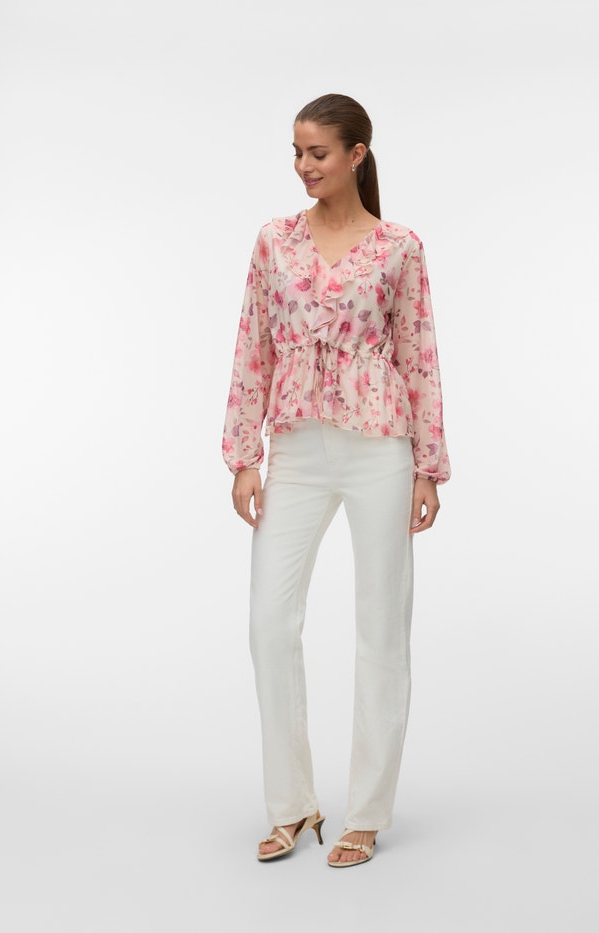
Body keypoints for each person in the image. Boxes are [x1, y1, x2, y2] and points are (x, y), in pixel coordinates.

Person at [222, 93, 451, 867]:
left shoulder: (399, 247)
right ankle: (292, 804)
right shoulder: (274, 240)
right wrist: (243, 454)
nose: (303, 166)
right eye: (296, 151)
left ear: (357, 154)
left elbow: (419, 353)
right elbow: (252, 343)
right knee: (269, 621)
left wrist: (428, 466)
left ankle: (367, 812)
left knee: (381, 625)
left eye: (317, 152)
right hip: (295, 447)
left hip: (381, 446)